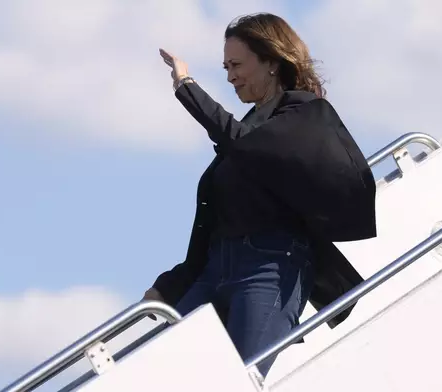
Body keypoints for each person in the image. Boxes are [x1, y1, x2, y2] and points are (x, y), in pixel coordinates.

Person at [142, 12, 376, 377]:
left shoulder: (307, 115)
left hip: (269, 268)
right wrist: (169, 285)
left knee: (238, 380)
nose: (231, 76)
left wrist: (186, 85)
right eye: (225, 68)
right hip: (217, 268)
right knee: (164, 372)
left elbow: (246, 145)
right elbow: (216, 224)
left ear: (271, 61)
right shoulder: (249, 128)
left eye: (236, 64)